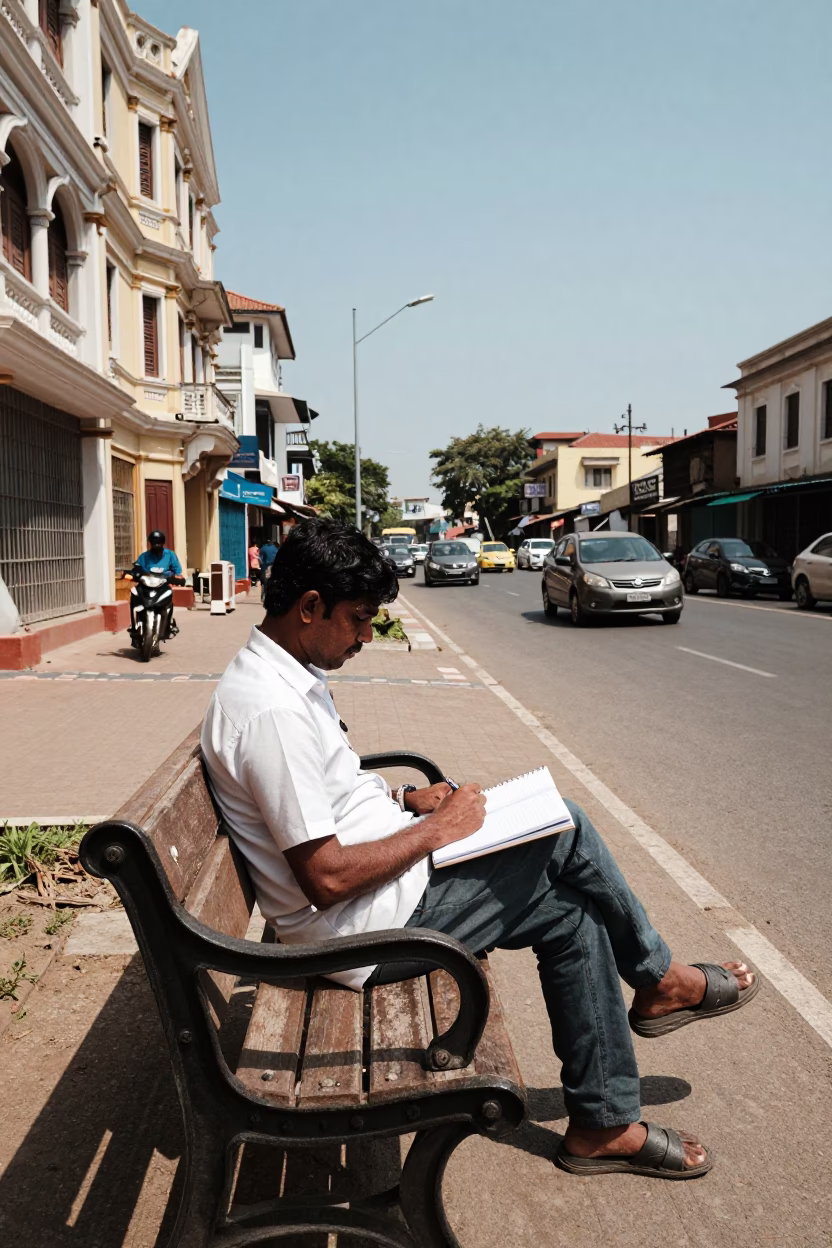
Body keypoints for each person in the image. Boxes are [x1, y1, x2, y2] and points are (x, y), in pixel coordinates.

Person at [201, 519, 758, 1181]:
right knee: (565, 826)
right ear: (310, 606)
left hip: (381, 899)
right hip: (357, 936)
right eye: (358, 619)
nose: (365, 637)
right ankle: (660, 981)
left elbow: (327, 798)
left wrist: (406, 800)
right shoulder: (272, 712)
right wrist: (439, 831)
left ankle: (603, 1124)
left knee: (572, 912)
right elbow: (324, 877)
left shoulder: (285, 676)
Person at [126, 530, 184, 638]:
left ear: (163, 543)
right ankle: (134, 624)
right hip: (145, 586)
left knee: (169, 595)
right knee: (134, 593)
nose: (156, 545)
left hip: (163, 586)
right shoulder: (144, 556)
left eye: (159, 543)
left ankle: (170, 623)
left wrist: (178, 579)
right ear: (150, 543)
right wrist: (133, 573)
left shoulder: (170, 555)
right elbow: (137, 568)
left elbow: (178, 572)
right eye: (154, 543)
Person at [258, 536, 278, 601]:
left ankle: (265, 595)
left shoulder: (263, 548)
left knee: (265, 581)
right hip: (274, 566)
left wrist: (261, 566)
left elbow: (260, 559)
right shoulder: (275, 548)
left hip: (266, 566)